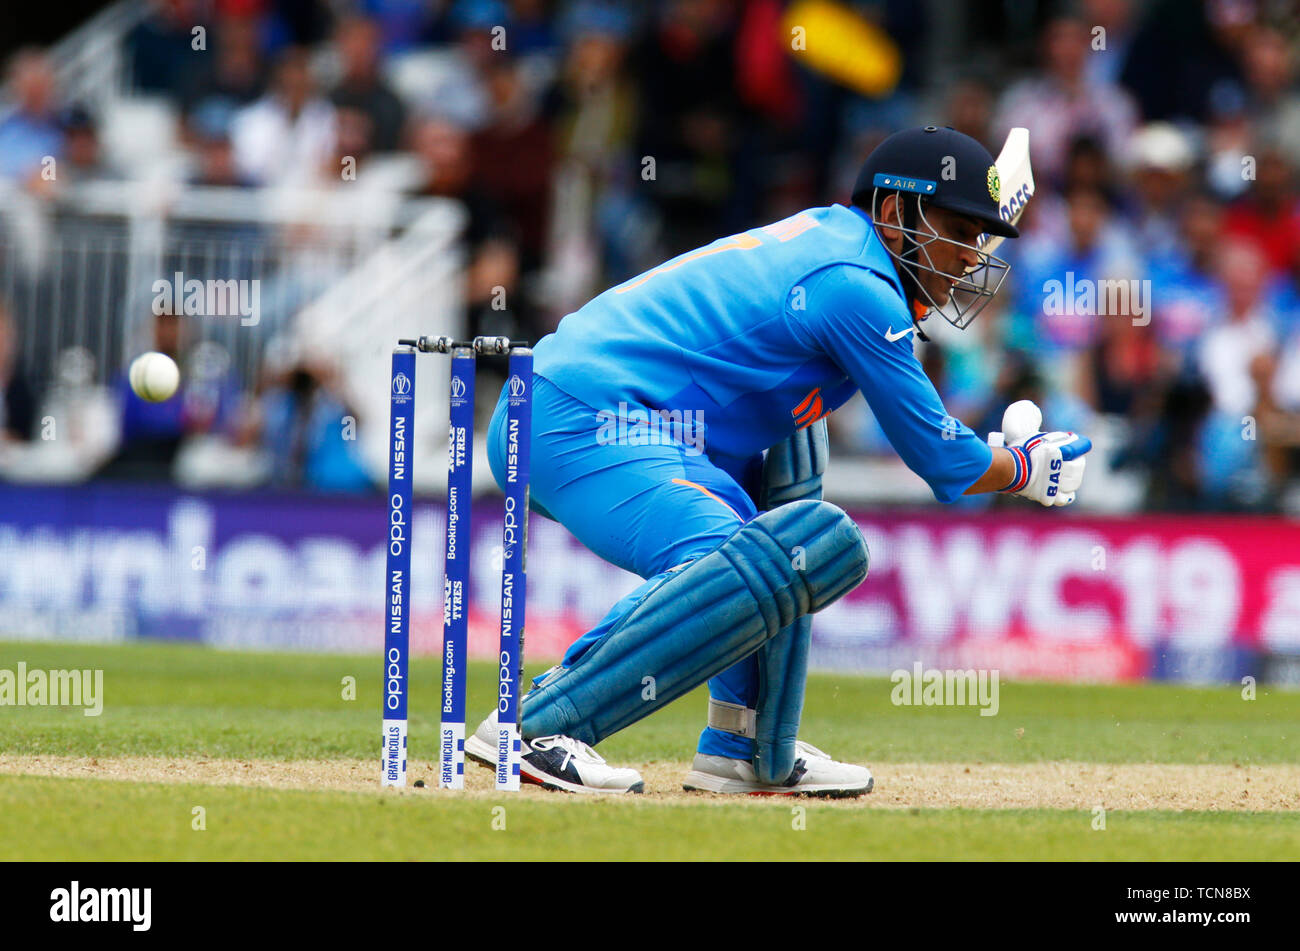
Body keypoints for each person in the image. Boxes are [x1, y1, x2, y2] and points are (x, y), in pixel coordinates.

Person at [462, 126, 1093, 795]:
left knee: (790, 491)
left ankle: (745, 743)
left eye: (980, 237)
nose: (971, 257)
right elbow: (943, 460)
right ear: (892, 213)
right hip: (577, 415)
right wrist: (1024, 467)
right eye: (960, 231)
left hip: (635, 421)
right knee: (743, 549)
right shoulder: (854, 285)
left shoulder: (841, 250)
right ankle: (534, 725)